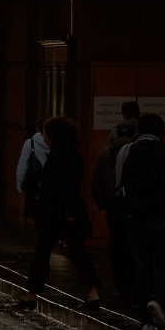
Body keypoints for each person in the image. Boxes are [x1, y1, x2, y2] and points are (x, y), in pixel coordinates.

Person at [17, 117, 100, 312]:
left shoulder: (59, 157)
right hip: (64, 211)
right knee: (77, 252)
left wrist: (68, 212)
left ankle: (31, 295)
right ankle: (92, 293)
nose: (44, 137)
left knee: (43, 252)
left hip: (56, 212)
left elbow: (64, 186)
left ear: (54, 135)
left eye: (46, 133)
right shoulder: (71, 154)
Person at [114, 113, 165, 330]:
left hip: (135, 219)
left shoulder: (126, 151)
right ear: (161, 132)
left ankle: (145, 322)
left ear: (138, 131)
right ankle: (158, 299)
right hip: (161, 219)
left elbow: (118, 185)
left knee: (141, 270)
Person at [91, 121, 136, 299]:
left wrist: (103, 203)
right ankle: (133, 283)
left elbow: (96, 181)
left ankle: (119, 283)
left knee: (117, 244)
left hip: (114, 206)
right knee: (133, 245)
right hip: (133, 206)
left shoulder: (105, 153)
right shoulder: (136, 151)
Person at [15, 117, 50, 221]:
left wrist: (20, 185)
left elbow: (22, 166)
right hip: (51, 185)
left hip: (34, 185)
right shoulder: (57, 144)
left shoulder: (30, 143)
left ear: (37, 128)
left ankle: (40, 234)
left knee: (37, 214)